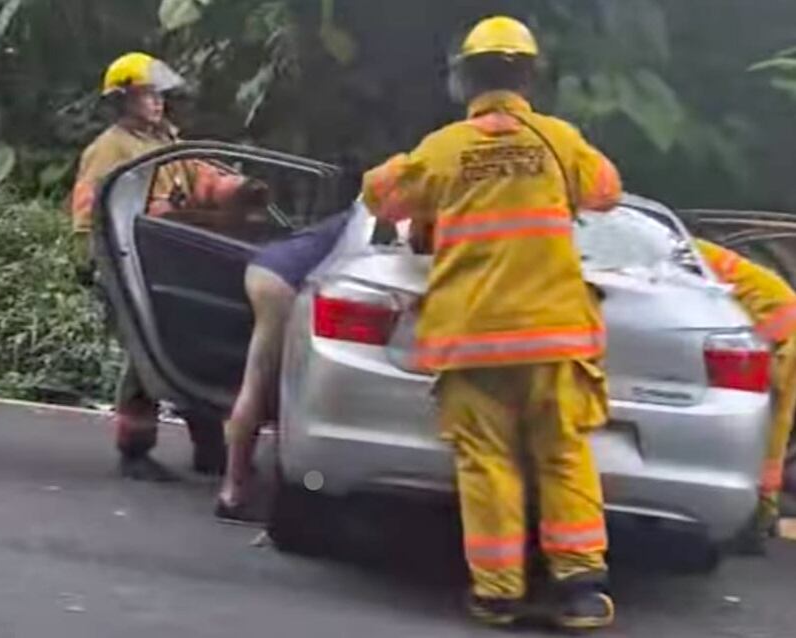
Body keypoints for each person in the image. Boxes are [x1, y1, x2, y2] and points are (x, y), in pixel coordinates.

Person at [361, 16, 622, 629]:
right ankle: (582, 589)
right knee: (563, 455)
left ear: (462, 79)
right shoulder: (560, 141)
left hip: (474, 338)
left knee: (488, 462)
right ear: (531, 76)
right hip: (554, 335)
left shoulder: (444, 149)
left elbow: (383, 197)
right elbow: (607, 192)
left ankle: (497, 593)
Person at [71, 52, 248, 481]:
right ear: (123, 100)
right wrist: (90, 263)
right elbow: (86, 210)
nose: (157, 103)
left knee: (184, 348)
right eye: (147, 95)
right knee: (144, 357)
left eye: (158, 95)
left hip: (168, 261)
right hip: (129, 262)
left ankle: (210, 450)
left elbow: (200, 176)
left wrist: (240, 191)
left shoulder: (165, 140)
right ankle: (135, 450)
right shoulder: (110, 149)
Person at [214, 211, 352, 521]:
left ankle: (241, 484)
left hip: (268, 265)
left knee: (261, 382)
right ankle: (233, 491)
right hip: (285, 283)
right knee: (267, 386)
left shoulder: (362, 209)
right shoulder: (376, 220)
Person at [696, 238, 796, 552]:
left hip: (785, 342)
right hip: (781, 335)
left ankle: (760, 513)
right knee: (773, 427)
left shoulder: (689, 259)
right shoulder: (702, 254)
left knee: (773, 431)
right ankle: (760, 514)